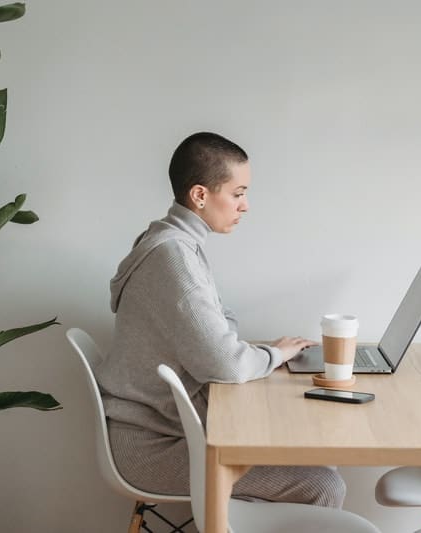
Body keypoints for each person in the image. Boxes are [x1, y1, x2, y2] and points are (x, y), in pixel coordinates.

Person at [96, 131, 346, 507]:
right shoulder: (173, 257)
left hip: (168, 429)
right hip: (154, 446)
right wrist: (272, 355)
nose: (245, 205)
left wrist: (253, 350)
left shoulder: (172, 241)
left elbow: (221, 324)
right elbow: (224, 361)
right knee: (323, 485)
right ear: (200, 195)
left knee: (321, 462)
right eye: (238, 193)